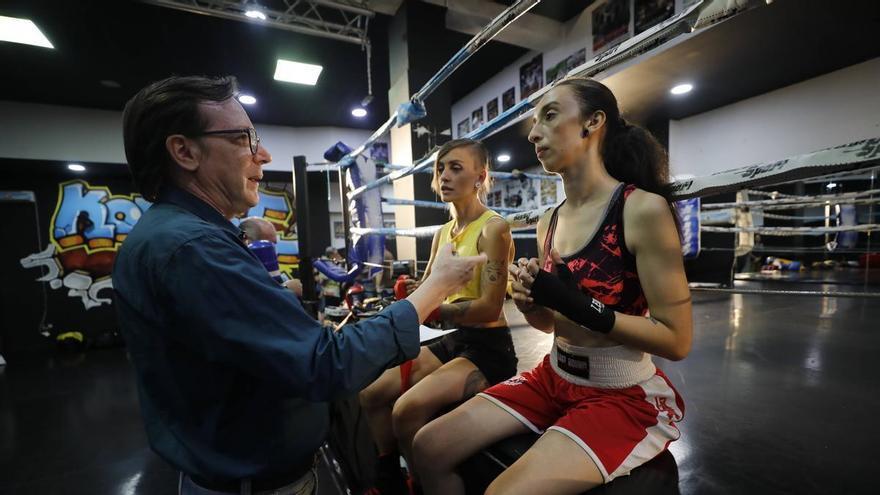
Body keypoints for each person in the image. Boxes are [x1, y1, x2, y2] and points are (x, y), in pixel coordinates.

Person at [112, 75, 487, 495]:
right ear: (184, 151)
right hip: (253, 481)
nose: (263, 154)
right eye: (244, 139)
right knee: (403, 414)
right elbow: (326, 366)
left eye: (457, 167)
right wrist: (434, 289)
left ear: (480, 175)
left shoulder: (180, 238)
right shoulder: (190, 248)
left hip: (235, 470)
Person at [413, 77, 693, 495]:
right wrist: (533, 305)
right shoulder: (549, 220)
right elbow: (550, 325)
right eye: (534, 121)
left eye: (549, 115)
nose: (533, 133)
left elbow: (677, 339)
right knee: (427, 446)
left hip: (619, 393)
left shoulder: (640, 209)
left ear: (593, 122)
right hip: (554, 375)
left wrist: (583, 306)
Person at [359, 139, 516, 494]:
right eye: (440, 168)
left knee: (405, 411)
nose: (444, 176)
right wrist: (414, 296)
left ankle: (420, 485)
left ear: (481, 176)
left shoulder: (494, 228)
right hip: (453, 340)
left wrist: (433, 309)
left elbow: (490, 307)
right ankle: (390, 479)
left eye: (456, 168)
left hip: (487, 348)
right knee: (371, 394)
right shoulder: (444, 233)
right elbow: (431, 289)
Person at [239, 216, 303, 295]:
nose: (274, 251)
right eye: (268, 244)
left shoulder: (279, 278)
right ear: (248, 243)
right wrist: (286, 290)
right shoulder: (234, 273)